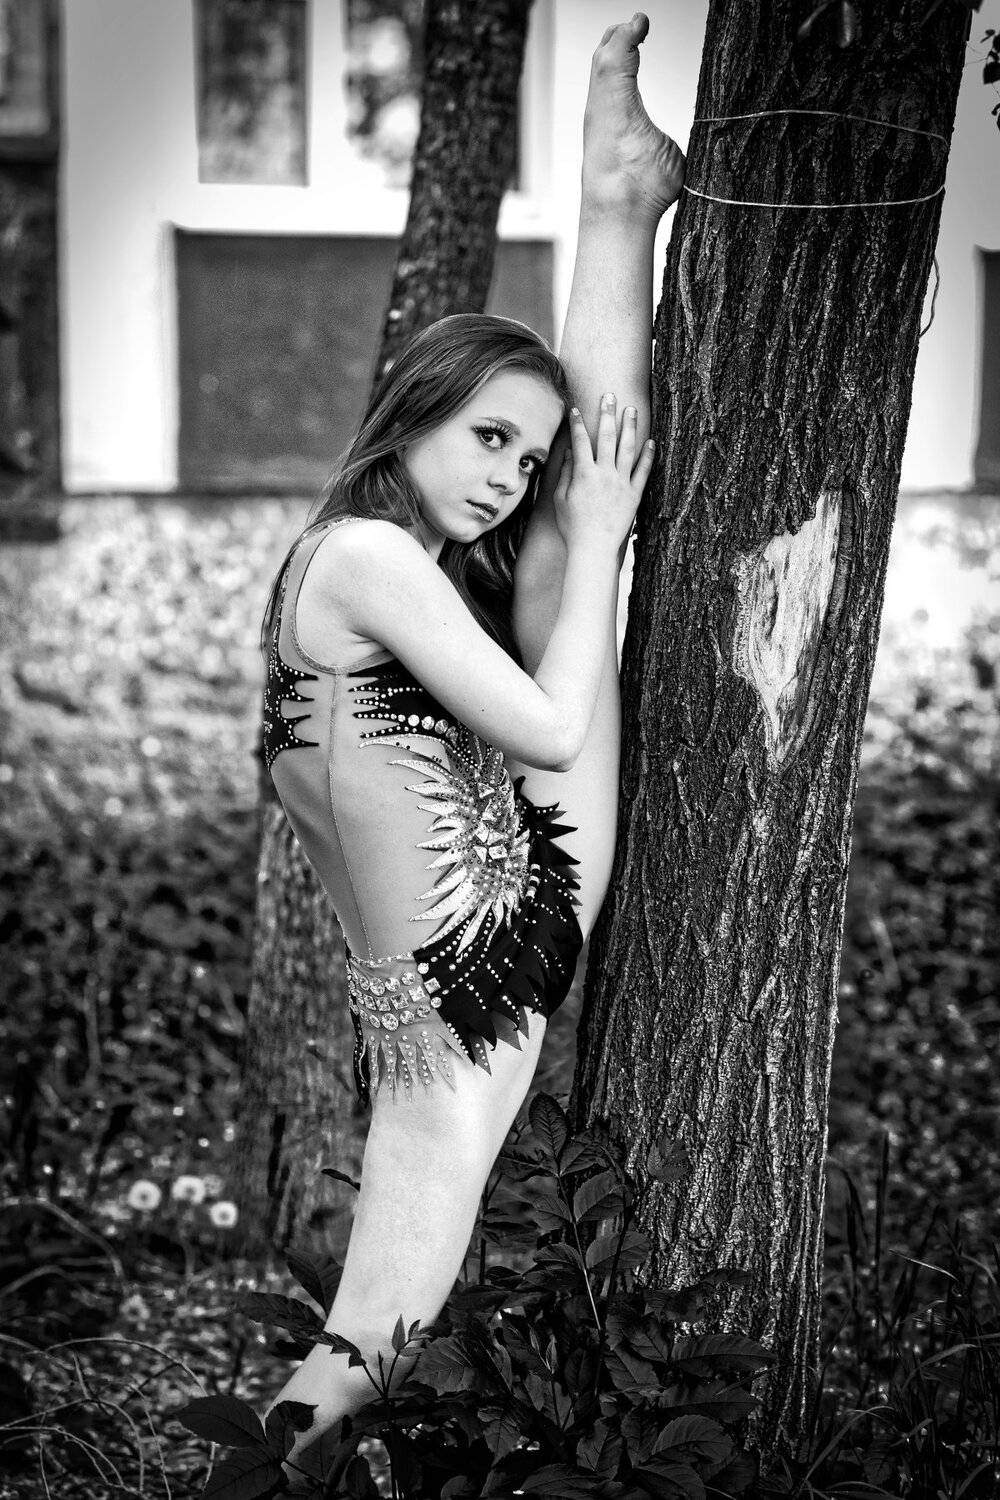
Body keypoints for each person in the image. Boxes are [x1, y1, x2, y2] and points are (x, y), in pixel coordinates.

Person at [260, 11, 684, 1483]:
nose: (507, 476)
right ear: (415, 416)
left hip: (450, 992)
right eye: (488, 438)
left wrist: (579, 527)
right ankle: (616, 196)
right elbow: (554, 723)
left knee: (368, 1334)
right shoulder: (369, 556)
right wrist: (603, 535)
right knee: (585, 535)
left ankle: (618, 192)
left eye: (525, 452)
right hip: (496, 948)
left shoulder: (349, 564)